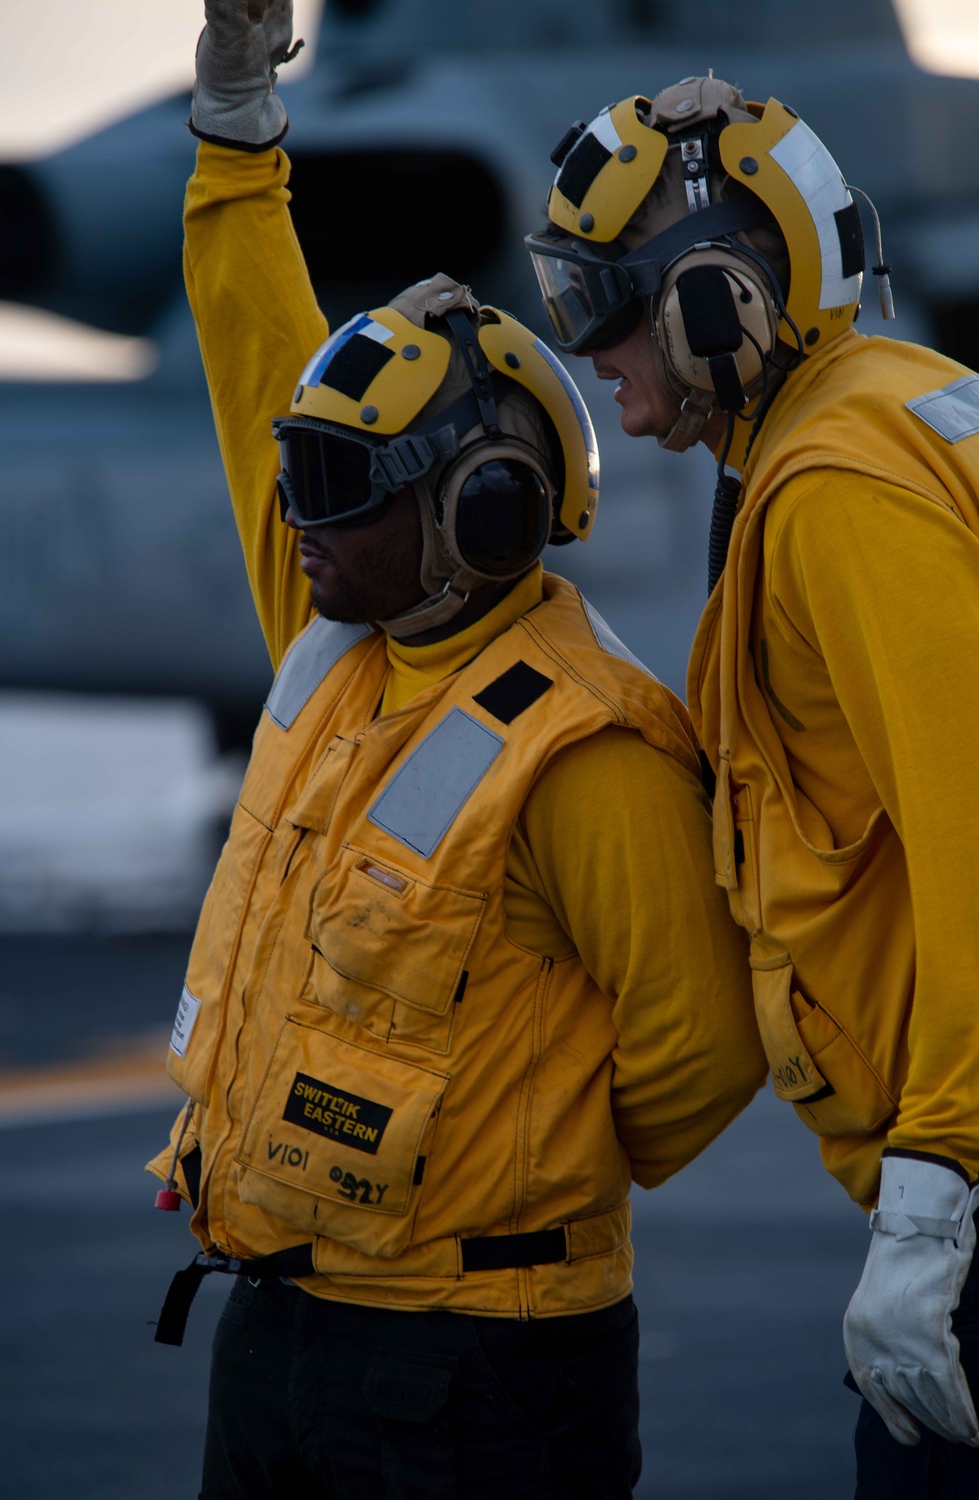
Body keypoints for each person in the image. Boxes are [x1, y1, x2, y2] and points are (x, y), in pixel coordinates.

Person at [147, 14, 766, 1497]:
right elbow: (252, 369)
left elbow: (701, 1052)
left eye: (336, 485)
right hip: (281, 1332)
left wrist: (508, 1165)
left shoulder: (586, 749)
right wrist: (238, 132)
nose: (294, 516)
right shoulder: (335, 636)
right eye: (298, 479)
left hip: (481, 1373)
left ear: (480, 510)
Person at [526, 74, 979, 1497]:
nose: (586, 349)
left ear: (717, 301)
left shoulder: (837, 489)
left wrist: (935, 1190)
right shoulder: (899, 404)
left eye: (605, 304)